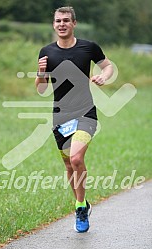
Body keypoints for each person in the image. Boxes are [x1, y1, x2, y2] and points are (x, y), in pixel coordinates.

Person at [35, 6, 113, 233]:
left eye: (66, 20)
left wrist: (103, 76)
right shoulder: (46, 52)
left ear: (74, 23)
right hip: (60, 115)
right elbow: (41, 90)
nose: (62, 24)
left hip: (85, 112)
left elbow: (107, 65)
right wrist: (40, 74)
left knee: (77, 158)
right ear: (54, 25)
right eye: (58, 21)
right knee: (69, 165)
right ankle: (82, 203)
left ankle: (79, 208)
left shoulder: (88, 47)